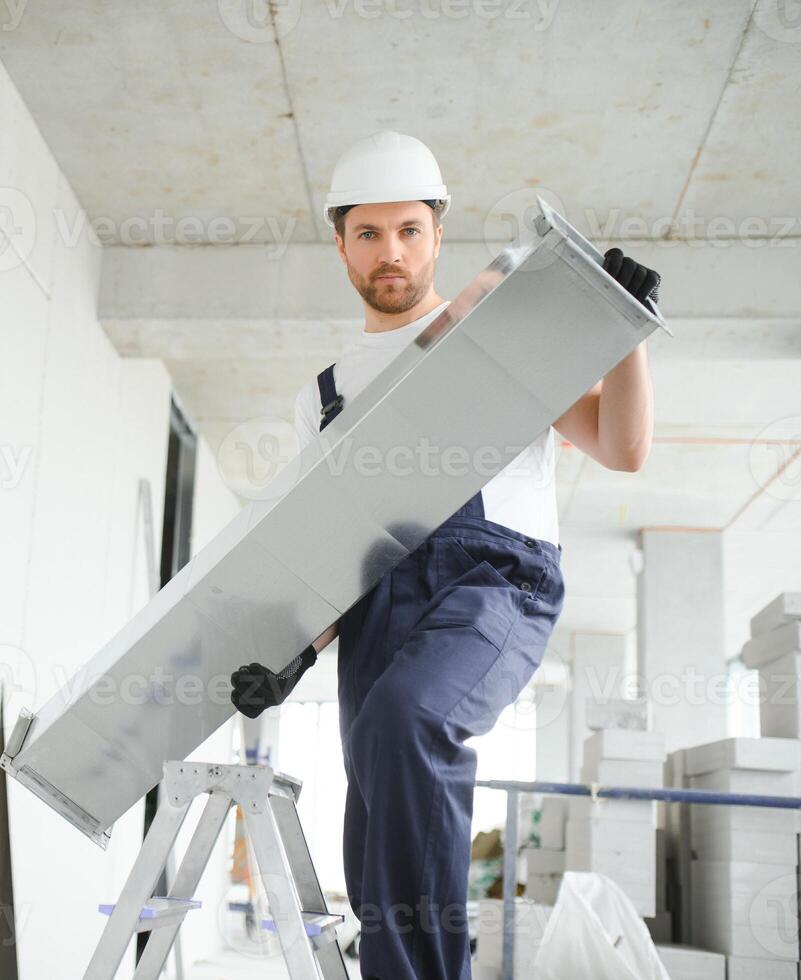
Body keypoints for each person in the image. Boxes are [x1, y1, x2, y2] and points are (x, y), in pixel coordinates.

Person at [227, 131, 659, 980]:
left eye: (409, 230)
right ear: (340, 243)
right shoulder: (324, 396)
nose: (390, 253)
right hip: (374, 599)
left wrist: (628, 331)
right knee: (376, 803)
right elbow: (325, 541)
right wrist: (295, 658)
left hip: (495, 579)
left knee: (411, 719)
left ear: (436, 234)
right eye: (368, 234)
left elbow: (622, 447)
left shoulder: (500, 334)